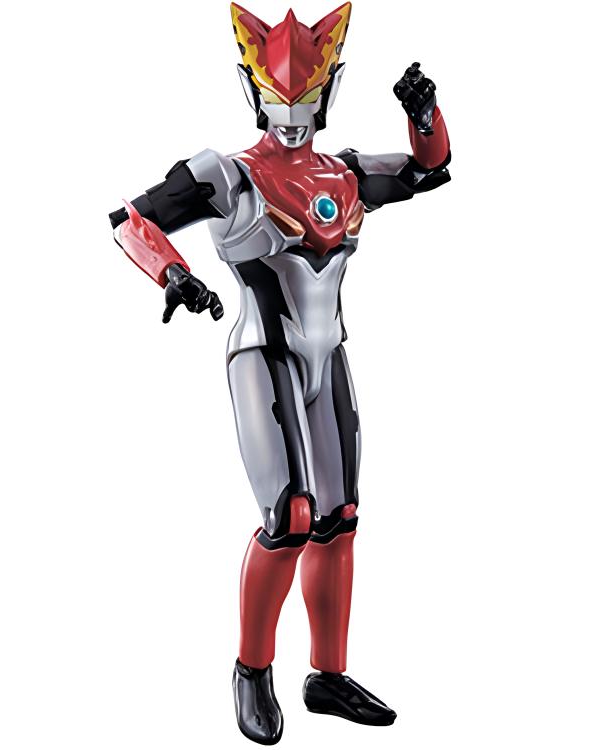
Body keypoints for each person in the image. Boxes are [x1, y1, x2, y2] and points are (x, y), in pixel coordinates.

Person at [108, 3, 451, 744]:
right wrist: (172, 273)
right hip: (263, 356)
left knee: (340, 517)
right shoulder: (227, 174)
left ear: (329, 91)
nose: (292, 113)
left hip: (329, 355)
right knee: (290, 517)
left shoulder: (345, 172)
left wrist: (424, 113)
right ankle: (252, 670)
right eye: (279, 97)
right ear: (252, 90)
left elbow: (429, 171)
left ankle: (327, 675)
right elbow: (132, 219)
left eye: (306, 96)